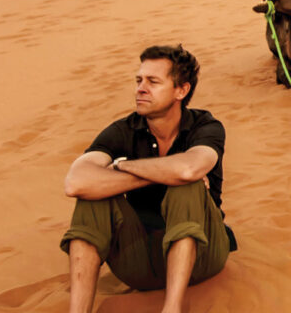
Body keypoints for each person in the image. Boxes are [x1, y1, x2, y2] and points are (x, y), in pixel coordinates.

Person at [60, 45, 235, 313]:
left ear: (181, 90)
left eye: (153, 82)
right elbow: (75, 182)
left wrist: (122, 169)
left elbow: (189, 169)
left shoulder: (205, 127)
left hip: (203, 256)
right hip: (141, 262)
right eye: (139, 80)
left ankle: (173, 309)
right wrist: (155, 174)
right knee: (90, 197)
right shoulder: (123, 130)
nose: (140, 88)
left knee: (185, 185)